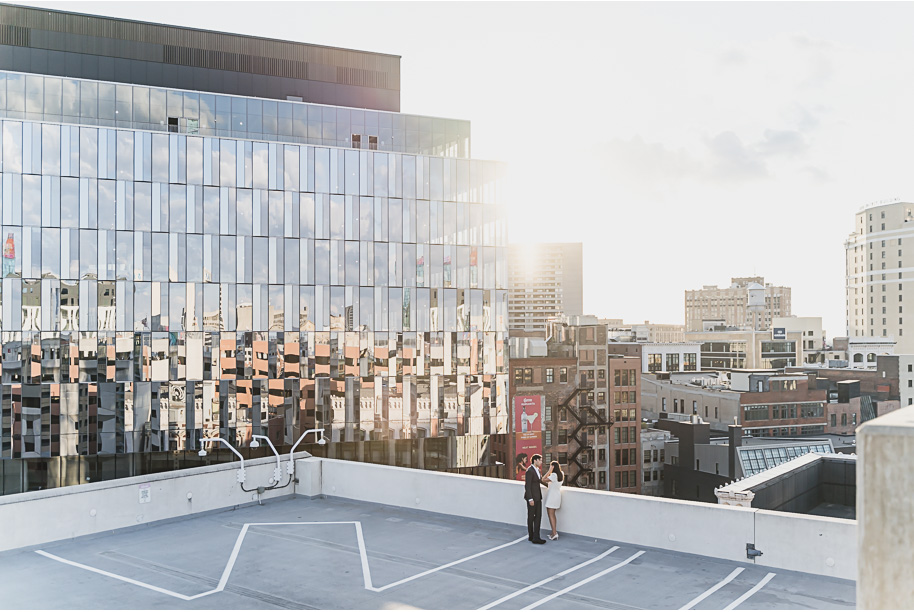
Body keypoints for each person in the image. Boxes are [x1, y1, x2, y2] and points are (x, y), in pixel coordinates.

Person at [524, 454, 546, 544]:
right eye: (540, 460)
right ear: (535, 460)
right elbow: (527, 486)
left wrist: (551, 486)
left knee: (538, 517)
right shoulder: (530, 471)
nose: (541, 462)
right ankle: (532, 536)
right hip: (532, 498)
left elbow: (540, 481)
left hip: (538, 497)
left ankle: (535, 536)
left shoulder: (537, 470)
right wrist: (530, 499)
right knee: (531, 517)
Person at [541, 461, 563, 540]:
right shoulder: (561, 474)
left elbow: (543, 479)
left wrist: (549, 471)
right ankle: (553, 532)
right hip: (557, 495)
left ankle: (554, 533)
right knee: (552, 514)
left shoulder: (554, 475)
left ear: (553, 467)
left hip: (552, 496)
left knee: (551, 515)